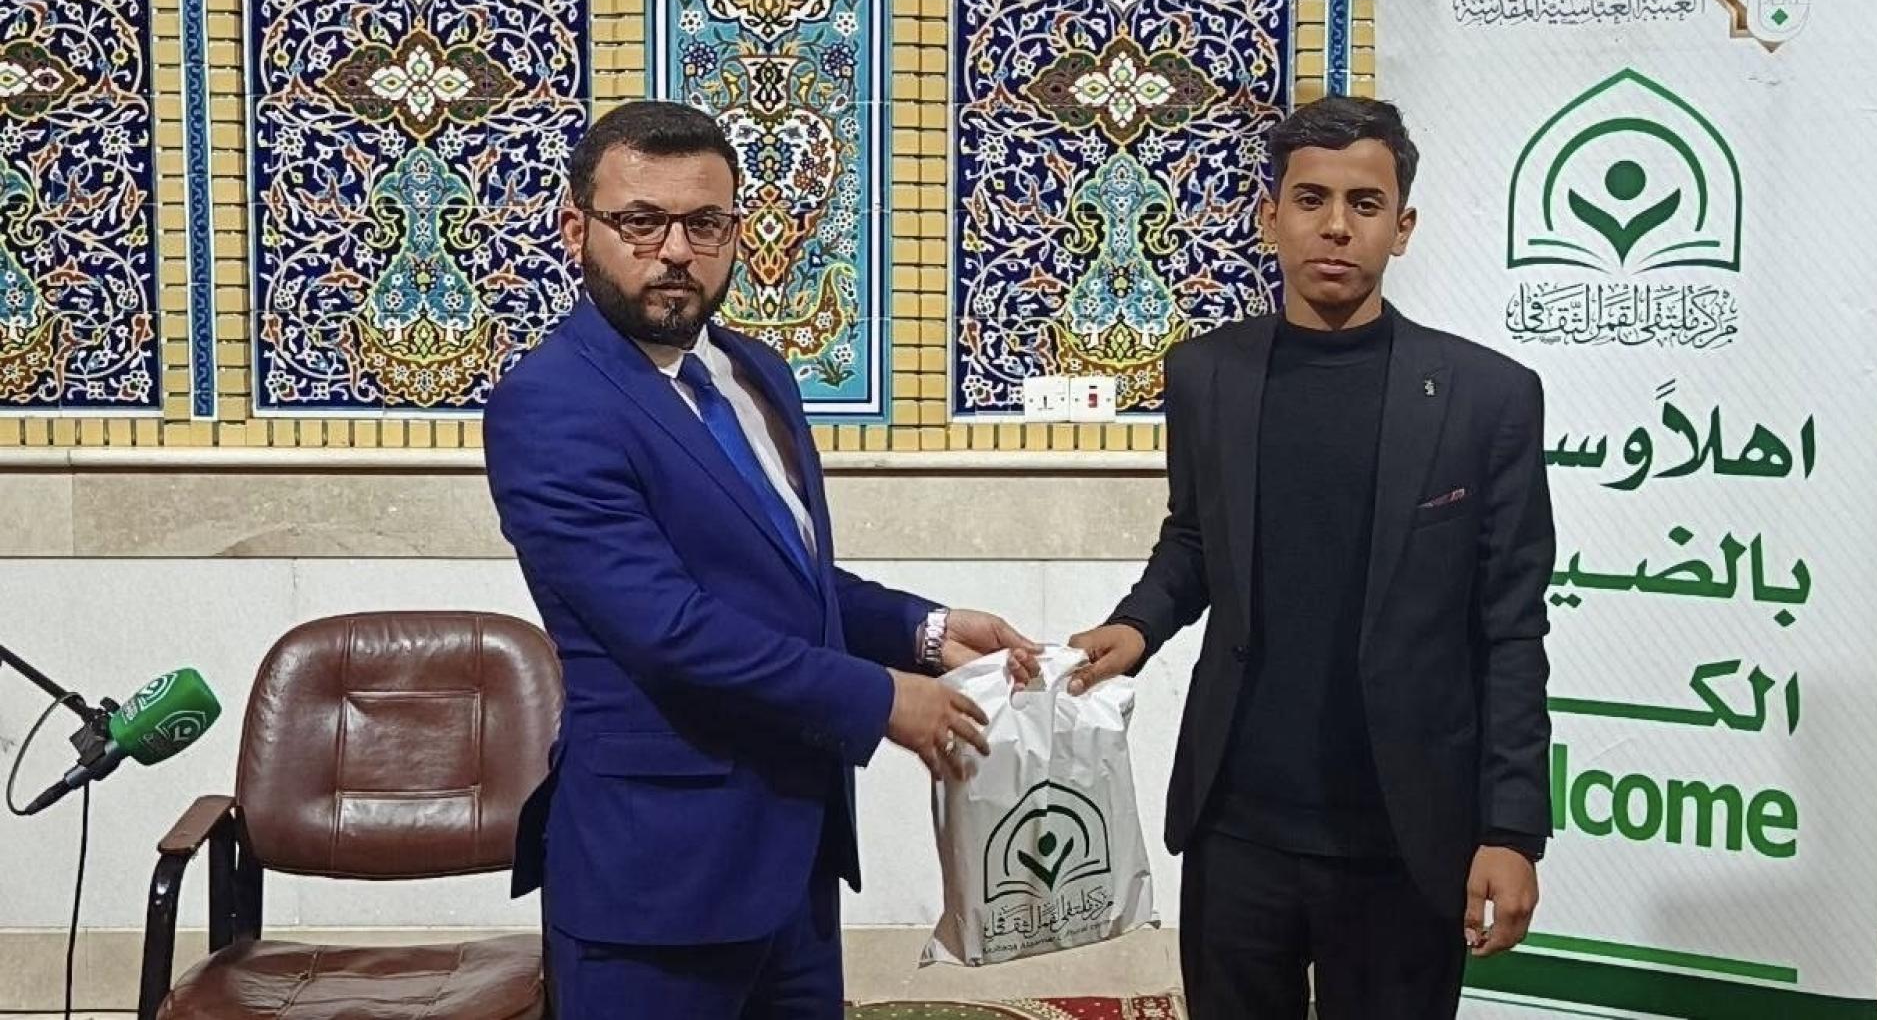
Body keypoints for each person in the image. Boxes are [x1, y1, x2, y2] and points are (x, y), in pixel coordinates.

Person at [484, 100, 1038, 1020]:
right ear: (577, 229)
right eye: (641, 221)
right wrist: (881, 698)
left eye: (704, 223)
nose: (675, 250)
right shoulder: (549, 405)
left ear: (736, 232)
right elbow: (670, 630)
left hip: (796, 862)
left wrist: (925, 632)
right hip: (656, 882)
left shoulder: (755, 374)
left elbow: (786, 582)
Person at [1068, 95, 1557, 1019]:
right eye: (1311, 199)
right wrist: (1137, 625)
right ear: (1270, 217)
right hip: (1237, 825)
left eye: (1365, 203)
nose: (1336, 226)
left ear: (1402, 227)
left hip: (1404, 834)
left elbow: (1511, 628)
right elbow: (1196, 537)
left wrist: (1511, 826)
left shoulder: (1486, 398)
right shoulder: (1207, 374)